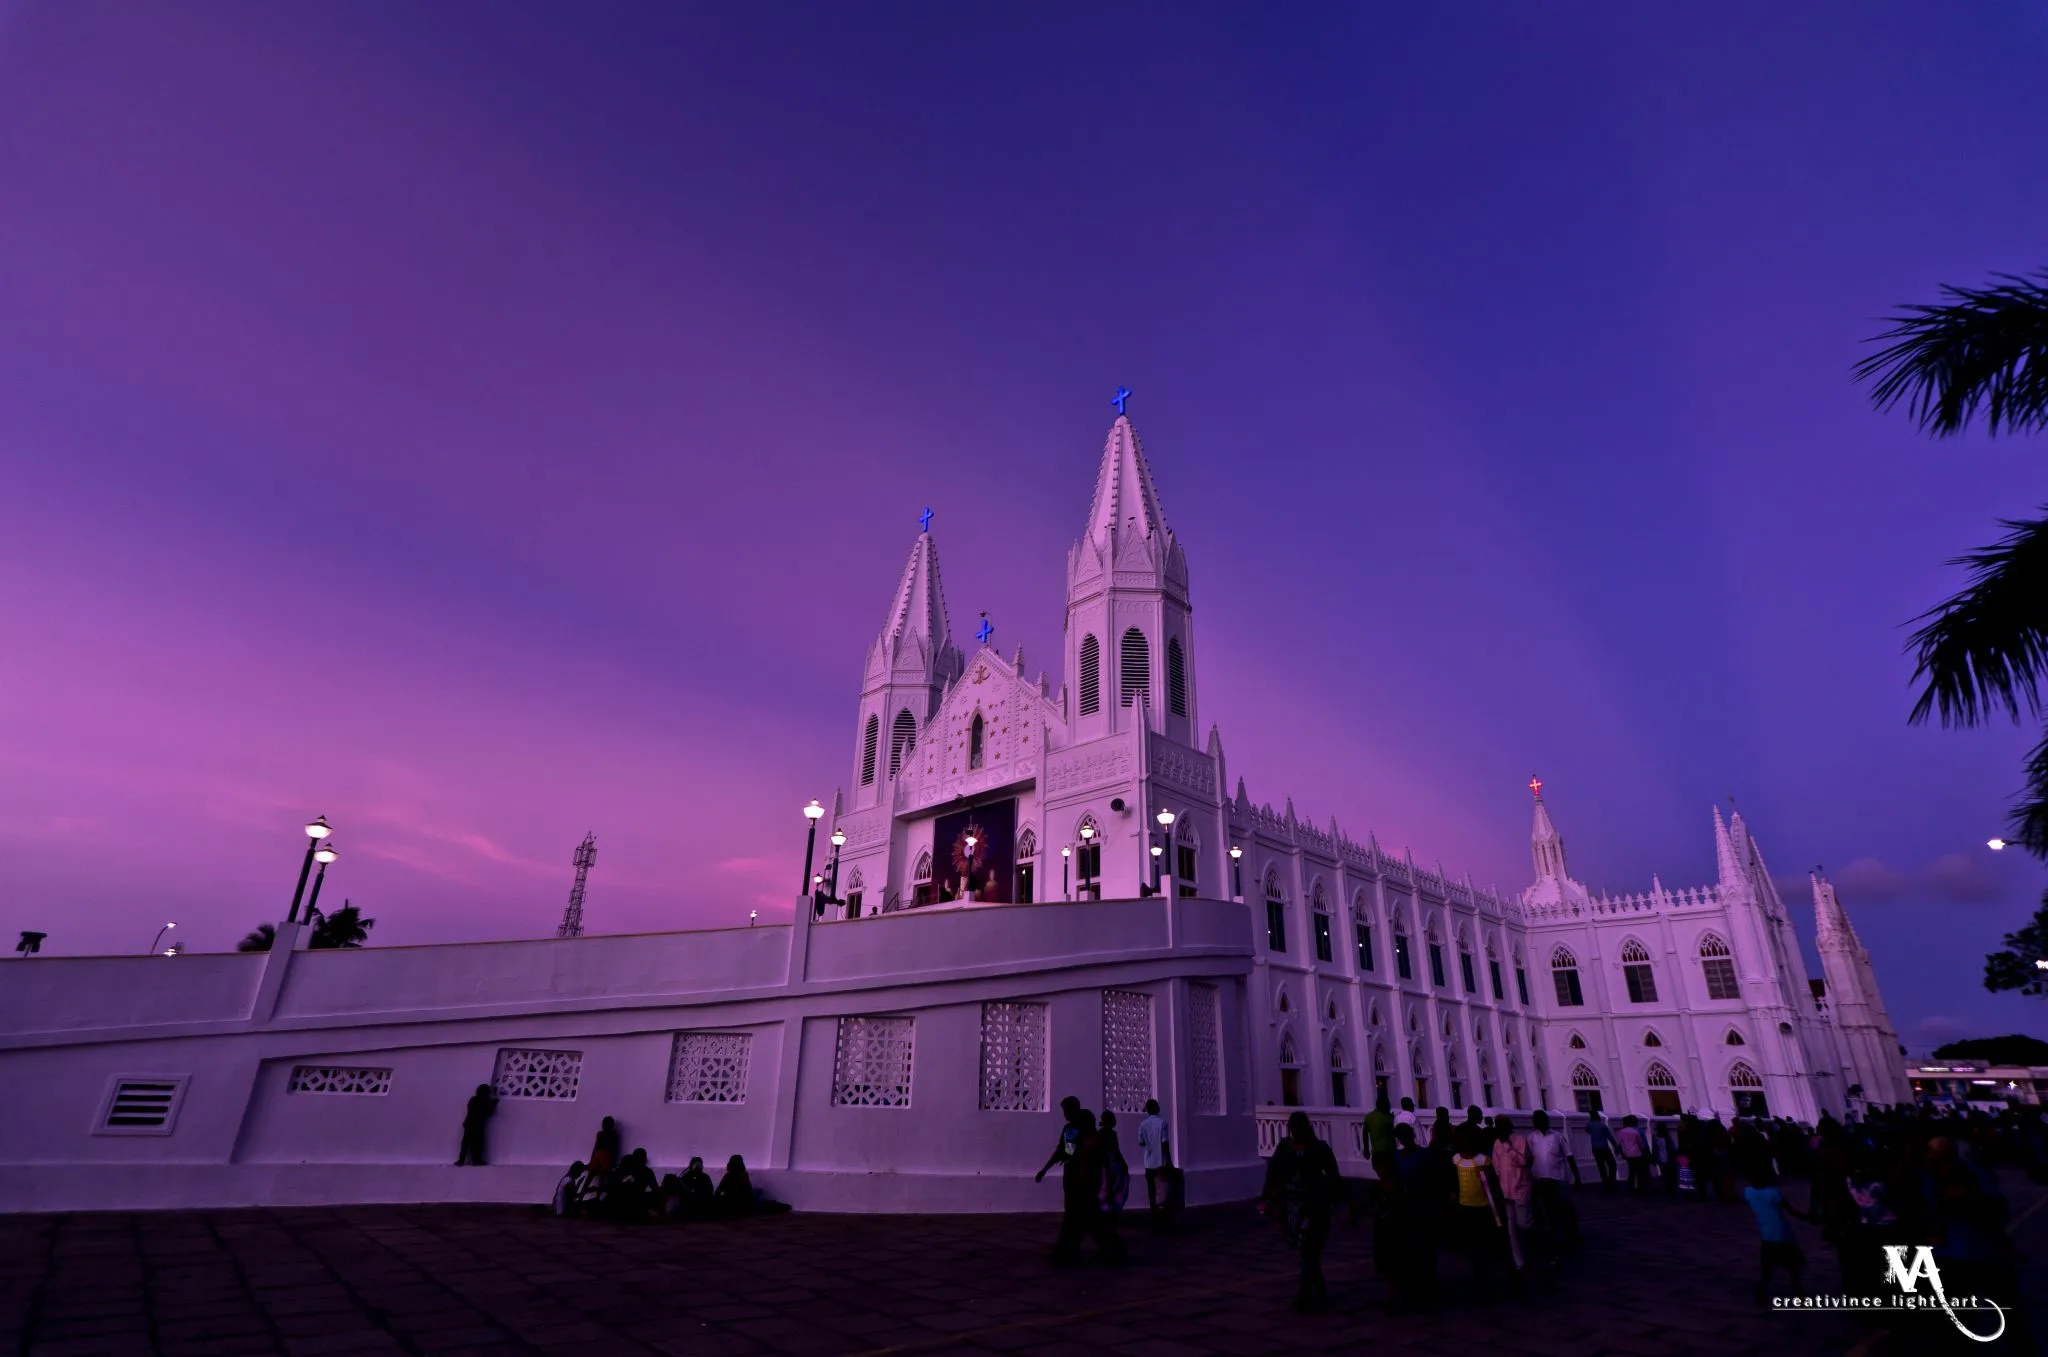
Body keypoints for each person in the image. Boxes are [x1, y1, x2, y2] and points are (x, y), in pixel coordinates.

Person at [1261, 1111, 1344, 1311]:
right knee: (1307, 1252)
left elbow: (1333, 1175)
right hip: (1293, 1208)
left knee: (1308, 1248)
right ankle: (1321, 1291)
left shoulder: (1318, 1148)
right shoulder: (1285, 1148)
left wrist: (1340, 1197)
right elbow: (1273, 1173)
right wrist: (1268, 1198)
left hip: (1314, 1206)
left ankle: (1304, 1293)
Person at [1037, 1097, 1123, 1265]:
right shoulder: (1086, 1133)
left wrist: (1047, 1168)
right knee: (1086, 1217)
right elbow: (1066, 1152)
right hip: (1083, 1180)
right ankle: (1106, 1248)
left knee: (1081, 1217)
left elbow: (1065, 1152)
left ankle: (1071, 1250)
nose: (1065, 1114)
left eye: (1066, 1110)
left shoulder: (1074, 1130)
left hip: (1079, 1180)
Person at [1376, 1122, 1437, 1313]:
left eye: (1404, 1136)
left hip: (1420, 1207)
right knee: (1403, 1255)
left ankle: (1421, 1292)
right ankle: (1403, 1295)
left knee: (1420, 1252)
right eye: (1400, 1137)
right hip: (1401, 1209)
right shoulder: (1397, 1156)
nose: (1402, 1140)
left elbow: (1430, 1180)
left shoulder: (1423, 1155)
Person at [1743, 1158, 1809, 1306]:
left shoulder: (1748, 1192)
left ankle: (1761, 1290)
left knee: (1767, 1267)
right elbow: (1790, 1210)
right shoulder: (1773, 1192)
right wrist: (1807, 1218)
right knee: (1793, 1266)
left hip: (1766, 1233)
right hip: (1782, 1232)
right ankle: (1799, 1293)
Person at [1449, 1129, 1506, 1300]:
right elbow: (1454, 1182)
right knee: (1472, 1244)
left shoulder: (1483, 1160)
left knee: (1481, 1244)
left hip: (1482, 1206)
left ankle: (1483, 1275)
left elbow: (1491, 1185)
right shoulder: (1456, 1160)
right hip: (1465, 1206)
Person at [1526, 1109, 1577, 1258]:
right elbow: (1529, 1157)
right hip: (1540, 1177)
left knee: (1564, 1206)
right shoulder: (1531, 1138)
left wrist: (1577, 1176)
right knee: (1547, 1208)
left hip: (1558, 1177)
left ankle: (1571, 1231)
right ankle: (1554, 1233)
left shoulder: (1557, 1136)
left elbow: (1569, 1156)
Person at [1492, 1117, 1534, 1275]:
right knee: (1510, 1229)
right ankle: (1519, 1261)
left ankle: (1531, 1248)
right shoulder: (1496, 1143)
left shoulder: (1520, 1141)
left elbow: (1524, 1161)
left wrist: (1509, 1147)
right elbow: (1496, 1167)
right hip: (1505, 1190)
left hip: (1521, 1187)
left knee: (1523, 1223)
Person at [1135, 1099, 1173, 1228]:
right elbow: (1165, 1142)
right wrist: (1169, 1160)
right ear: (1157, 1108)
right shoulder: (1162, 1123)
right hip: (1161, 1163)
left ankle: (1154, 1217)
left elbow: (1141, 1142)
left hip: (1148, 1162)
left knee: (1151, 1191)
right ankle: (1163, 1220)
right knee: (1162, 1191)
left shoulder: (1143, 1124)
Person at [1099, 1110, 1132, 1217]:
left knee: (1107, 1186)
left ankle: (1107, 1208)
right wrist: (1123, 1163)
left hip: (1104, 1164)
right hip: (1111, 1163)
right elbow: (1116, 1150)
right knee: (1114, 1185)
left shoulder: (1101, 1133)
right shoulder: (1112, 1134)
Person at [456, 1084, 497, 1166]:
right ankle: (476, 1160)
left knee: (467, 1143)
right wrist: (493, 1104)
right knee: (476, 1143)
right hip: (476, 1125)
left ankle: (462, 1160)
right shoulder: (483, 1101)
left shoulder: (474, 1100)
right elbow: (488, 1112)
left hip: (470, 1124)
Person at [1362, 1093, 1396, 1180]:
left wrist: (1366, 1149)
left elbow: (1365, 1133)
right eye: (1388, 1105)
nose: (1389, 1107)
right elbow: (1391, 1133)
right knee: (1390, 1175)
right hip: (1388, 1152)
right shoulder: (1388, 1118)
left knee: (1382, 1176)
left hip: (1376, 1152)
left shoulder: (1369, 1116)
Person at [1616, 1115, 1649, 1194]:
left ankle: (1631, 1186)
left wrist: (1622, 1154)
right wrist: (1646, 1152)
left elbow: (1619, 1144)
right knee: (1639, 1171)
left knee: (1632, 1170)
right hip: (1637, 1154)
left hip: (1627, 1154)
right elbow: (1641, 1144)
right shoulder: (1635, 1131)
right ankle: (1638, 1187)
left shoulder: (1621, 1132)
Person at [1587, 1110, 1618, 1188]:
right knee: (1612, 1164)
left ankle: (1605, 1182)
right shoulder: (1602, 1125)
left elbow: (1587, 1131)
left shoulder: (1590, 1125)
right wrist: (1615, 1146)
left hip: (1595, 1148)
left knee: (1601, 1166)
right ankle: (1611, 1181)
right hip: (1604, 1147)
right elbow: (1609, 1136)